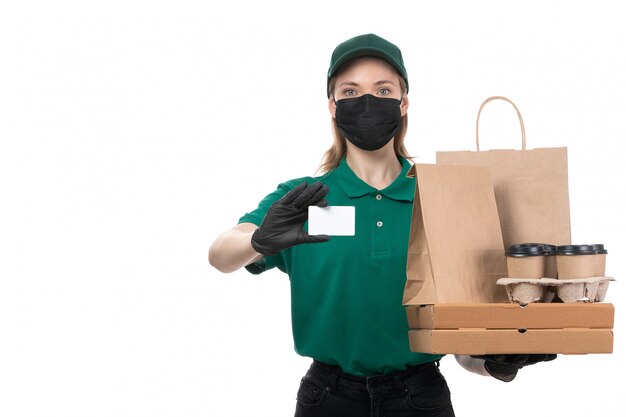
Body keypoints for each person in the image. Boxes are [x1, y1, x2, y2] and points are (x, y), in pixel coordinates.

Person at [209, 33, 556, 417]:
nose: (367, 102)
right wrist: (257, 238)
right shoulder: (301, 200)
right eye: (351, 91)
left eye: (383, 89)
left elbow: (457, 340)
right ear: (332, 105)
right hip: (327, 398)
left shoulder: (443, 197)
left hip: (420, 395)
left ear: (404, 102)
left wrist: (494, 363)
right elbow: (221, 255)